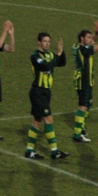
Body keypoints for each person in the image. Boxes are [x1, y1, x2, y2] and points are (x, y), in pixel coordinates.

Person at [25, 32, 68, 160]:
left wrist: (61, 51)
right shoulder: (35, 56)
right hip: (37, 92)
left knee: (37, 122)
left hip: (46, 92)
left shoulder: (50, 54)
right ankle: (54, 152)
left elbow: (62, 63)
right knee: (49, 119)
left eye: (49, 41)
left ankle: (29, 151)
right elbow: (45, 66)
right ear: (39, 42)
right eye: (45, 41)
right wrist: (58, 55)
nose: (47, 44)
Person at [72, 20, 98, 143]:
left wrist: (96, 33)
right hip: (84, 81)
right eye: (88, 37)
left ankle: (80, 128)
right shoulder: (85, 50)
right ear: (82, 39)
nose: (91, 39)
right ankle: (77, 134)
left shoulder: (78, 47)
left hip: (82, 80)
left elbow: (93, 42)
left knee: (88, 103)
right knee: (83, 106)